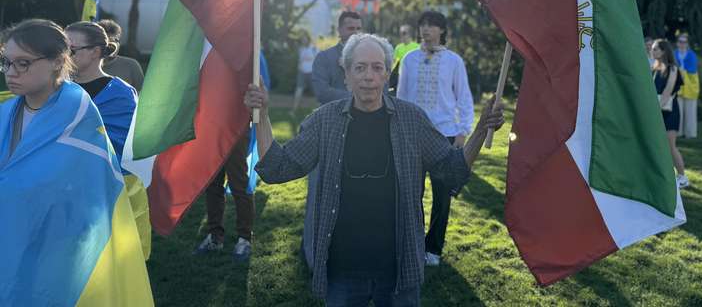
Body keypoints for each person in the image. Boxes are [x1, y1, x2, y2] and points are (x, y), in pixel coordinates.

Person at [247, 33, 504, 305]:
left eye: (377, 67)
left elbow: (452, 170)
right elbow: (277, 168)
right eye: (359, 67)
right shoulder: (325, 121)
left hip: (398, 269)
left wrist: (480, 129)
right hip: (342, 270)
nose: (368, 76)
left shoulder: (412, 120)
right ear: (346, 75)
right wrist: (262, 115)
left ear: (387, 75)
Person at [1, 20, 152, 305]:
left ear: (58, 61)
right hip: (10, 238)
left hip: (57, 247)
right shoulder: (5, 113)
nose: (10, 72)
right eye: (6, 62)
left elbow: (90, 190)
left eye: (23, 63)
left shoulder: (79, 117)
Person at [65, 21, 152, 260]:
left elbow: (124, 147)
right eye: (62, 49)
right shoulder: (58, 91)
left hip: (106, 193)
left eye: (71, 49)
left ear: (95, 52)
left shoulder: (121, 94)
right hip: (63, 193)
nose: (64, 56)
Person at [397, 11, 473, 266]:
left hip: (445, 137)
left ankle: (434, 249)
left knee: (442, 197)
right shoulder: (409, 59)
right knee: (411, 194)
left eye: (432, 26)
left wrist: (462, 131)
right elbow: (401, 97)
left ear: (442, 30)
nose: (426, 30)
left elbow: (463, 97)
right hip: (413, 136)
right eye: (423, 25)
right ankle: (414, 244)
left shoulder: (454, 61)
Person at [194, 52, 271, 261]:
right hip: (210, 127)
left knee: (239, 184)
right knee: (212, 184)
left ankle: (244, 238)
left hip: (236, 128)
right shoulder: (210, 50)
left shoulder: (249, 53)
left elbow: (262, 89)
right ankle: (214, 236)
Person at [301, 11, 363, 268]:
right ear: (339, 30)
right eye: (350, 28)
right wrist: (358, 97)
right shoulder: (325, 58)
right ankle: (314, 255)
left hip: (361, 137)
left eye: (359, 28)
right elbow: (322, 92)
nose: (355, 32)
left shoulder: (367, 59)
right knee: (320, 195)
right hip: (326, 136)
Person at [651, 38, 689, 189]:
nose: (652, 51)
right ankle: (662, 175)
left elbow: (667, 92)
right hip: (656, 110)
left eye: (655, 49)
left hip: (669, 111)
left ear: (663, 51)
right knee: (658, 145)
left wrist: (654, 111)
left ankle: (683, 177)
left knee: (670, 145)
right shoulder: (655, 68)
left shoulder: (673, 69)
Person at [96, 19, 145, 92]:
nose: (113, 45)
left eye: (116, 40)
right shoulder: (86, 65)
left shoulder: (131, 65)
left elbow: (143, 94)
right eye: (107, 41)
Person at [675, 32, 700, 139]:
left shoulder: (692, 55)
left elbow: (693, 69)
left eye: (684, 42)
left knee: (690, 110)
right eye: (680, 42)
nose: (682, 44)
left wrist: (682, 71)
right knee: (678, 110)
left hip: (690, 86)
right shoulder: (673, 53)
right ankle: (678, 132)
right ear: (677, 43)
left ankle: (690, 133)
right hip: (677, 85)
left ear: (687, 43)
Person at [388, 24, 419, 93]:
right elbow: (394, 63)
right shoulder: (398, 47)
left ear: (409, 34)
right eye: (400, 33)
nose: (402, 35)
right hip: (401, 77)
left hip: (414, 77)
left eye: (404, 33)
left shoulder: (417, 47)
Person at [293, 31, 317, 114]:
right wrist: (299, 68)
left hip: (311, 73)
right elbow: (300, 61)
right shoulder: (301, 49)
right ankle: (294, 110)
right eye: (302, 39)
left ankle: (318, 110)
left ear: (308, 39)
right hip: (302, 73)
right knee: (298, 91)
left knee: (316, 92)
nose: (303, 40)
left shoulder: (313, 48)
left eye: (305, 39)